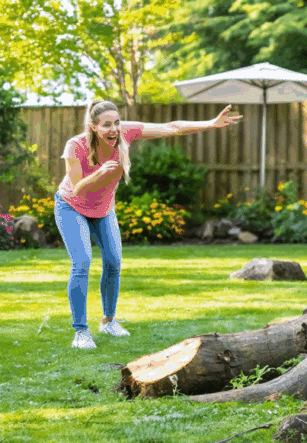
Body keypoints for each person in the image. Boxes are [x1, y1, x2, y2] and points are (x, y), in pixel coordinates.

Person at [55, 99, 242, 349]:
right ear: (92, 127)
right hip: (71, 207)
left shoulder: (125, 133)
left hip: (103, 209)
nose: (114, 129)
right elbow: (77, 187)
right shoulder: (75, 146)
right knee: (82, 262)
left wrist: (210, 123)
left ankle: (108, 321)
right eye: (106, 125)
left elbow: (171, 127)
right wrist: (99, 172)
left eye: (117, 123)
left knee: (113, 261)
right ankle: (81, 331)